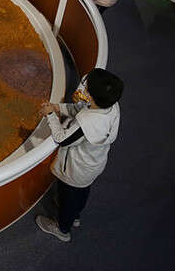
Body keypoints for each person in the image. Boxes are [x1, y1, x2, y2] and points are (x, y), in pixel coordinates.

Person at [35, 68, 123, 242]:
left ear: (91, 96)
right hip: (92, 166)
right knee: (81, 193)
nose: (84, 88)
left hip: (75, 170)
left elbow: (62, 139)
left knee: (69, 196)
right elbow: (81, 109)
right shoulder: (110, 107)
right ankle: (74, 215)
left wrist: (51, 115)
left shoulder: (87, 124)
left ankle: (62, 229)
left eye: (87, 87)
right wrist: (57, 108)